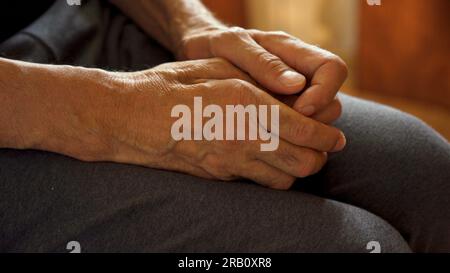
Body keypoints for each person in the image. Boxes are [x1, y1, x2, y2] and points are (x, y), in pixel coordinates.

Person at [0, 0, 449, 253]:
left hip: (81, 22)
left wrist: (192, 25)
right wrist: (115, 112)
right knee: (361, 245)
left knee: (429, 174)